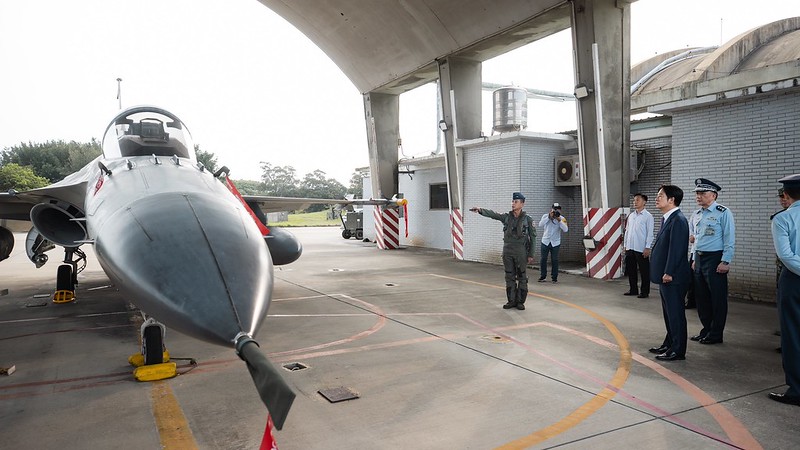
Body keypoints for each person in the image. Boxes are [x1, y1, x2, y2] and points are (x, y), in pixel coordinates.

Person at [470, 192, 536, 310]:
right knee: (509, 276)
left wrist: (531, 254)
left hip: (521, 251)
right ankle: (511, 301)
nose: (513, 204)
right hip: (507, 250)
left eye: (515, 202)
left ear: (522, 204)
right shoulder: (506, 217)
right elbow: (493, 215)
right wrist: (480, 210)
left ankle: (520, 302)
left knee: (522, 276)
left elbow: (533, 237)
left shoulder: (528, 220)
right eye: (512, 201)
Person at [648, 185, 691, 361]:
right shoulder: (668, 219)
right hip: (666, 276)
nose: (657, 199)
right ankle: (669, 343)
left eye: (660, 196)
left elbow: (677, 250)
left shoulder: (678, 220)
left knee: (675, 314)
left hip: (673, 277)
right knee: (668, 313)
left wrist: (669, 272)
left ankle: (678, 350)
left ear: (671, 200)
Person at [689, 178, 735, 345]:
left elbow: (729, 238)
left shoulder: (723, 212)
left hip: (716, 258)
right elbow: (694, 239)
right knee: (701, 298)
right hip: (699, 259)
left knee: (717, 298)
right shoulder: (696, 214)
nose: (698, 196)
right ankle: (706, 329)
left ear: (714, 195)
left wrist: (726, 261)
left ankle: (716, 334)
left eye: (703, 193)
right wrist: (694, 258)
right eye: (697, 193)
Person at [768, 174, 800, 406]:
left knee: (793, 335)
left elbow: (786, 256)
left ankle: (797, 390)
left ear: (786, 194)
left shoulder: (782, 219)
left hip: (794, 281)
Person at [623, 193, 654, 298]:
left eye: (637, 200)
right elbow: (627, 231)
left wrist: (647, 247)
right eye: (634, 200)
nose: (635, 202)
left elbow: (650, 233)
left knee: (644, 271)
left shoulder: (648, 216)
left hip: (641, 248)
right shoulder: (631, 216)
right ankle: (633, 289)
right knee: (631, 270)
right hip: (630, 247)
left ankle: (645, 292)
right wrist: (625, 245)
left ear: (644, 202)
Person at [772, 187, 790, 352]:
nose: (783, 200)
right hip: (783, 267)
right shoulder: (782, 216)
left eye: (784, 197)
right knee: (783, 301)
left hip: (791, 267)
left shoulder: (786, 218)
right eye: (781, 198)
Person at [538, 202, 568, 283]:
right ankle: (542, 276)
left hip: (555, 242)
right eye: (554, 209)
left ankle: (554, 277)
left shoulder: (562, 218)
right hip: (545, 241)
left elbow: (565, 229)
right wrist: (549, 217)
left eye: (557, 209)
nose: (555, 211)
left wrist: (559, 221)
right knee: (543, 259)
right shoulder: (545, 216)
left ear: (560, 210)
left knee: (554, 260)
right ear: (551, 209)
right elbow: (540, 224)